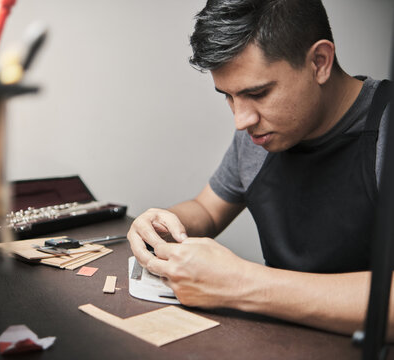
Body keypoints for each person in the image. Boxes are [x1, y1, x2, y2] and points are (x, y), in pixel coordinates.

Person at [127, 0, 392, 337]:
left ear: (319, 62)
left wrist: (242, 284)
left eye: (258, 92)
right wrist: (159, 224)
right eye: (228, 96)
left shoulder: (386, 129)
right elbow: (206, 211)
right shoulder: (261, 134)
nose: (241, 121)